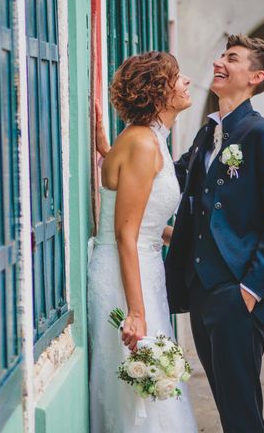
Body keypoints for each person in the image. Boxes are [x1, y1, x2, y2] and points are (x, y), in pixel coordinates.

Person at [165, 34, 264, 433]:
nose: (219, 61)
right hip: (200, 289)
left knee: (240, 411)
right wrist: (124, 151)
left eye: (232, 58)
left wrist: (251, 290)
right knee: (225, 404)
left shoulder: (260, 133)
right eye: (221, 54)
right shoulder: (208, 134)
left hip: (237, 293)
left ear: (256, 76)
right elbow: (170, 179)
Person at [88, 51, 197, 432]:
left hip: (143, 267)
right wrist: (135, 312)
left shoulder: (150, 140)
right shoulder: (143, 144)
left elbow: (142, 213)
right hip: (126, 273)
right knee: (138, 387)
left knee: (150, 386)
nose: (186, 82)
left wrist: (105, 152)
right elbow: (125, 233)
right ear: (158, 91)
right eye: (177, 77)